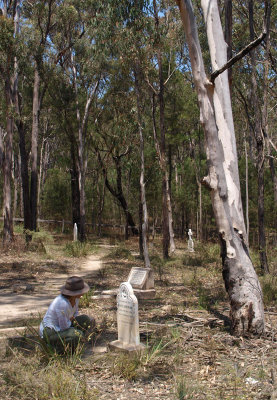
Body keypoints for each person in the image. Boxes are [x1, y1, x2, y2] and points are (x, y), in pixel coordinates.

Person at [39, 276, 95, 353]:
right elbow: (64, 327)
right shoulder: (62, 303)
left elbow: (75, 314)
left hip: (65, 324)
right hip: (51, 331)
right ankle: (57, 349)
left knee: (85, 320)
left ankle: (72, 346)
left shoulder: (76, 299)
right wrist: (74, 328)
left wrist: (72, 321)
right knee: (78, 334)